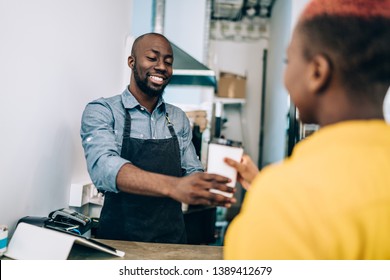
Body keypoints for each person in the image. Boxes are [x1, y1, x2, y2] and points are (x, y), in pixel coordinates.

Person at [224, 0, 390, 259]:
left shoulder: (285, 200)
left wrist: (270, 193)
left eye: (288, 59)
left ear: (317, 72)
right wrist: (260, 183)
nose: (285, 75)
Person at [80, 32, 236, 244]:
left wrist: (209, 184)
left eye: (168, 62)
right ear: (132, 62)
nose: (162, 66)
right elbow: (103, 167)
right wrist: (174, 186)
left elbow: (192, 169)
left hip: (172, 241)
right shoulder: (102, 110)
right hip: (119, 243)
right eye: (152, 58)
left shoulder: (178, 117)